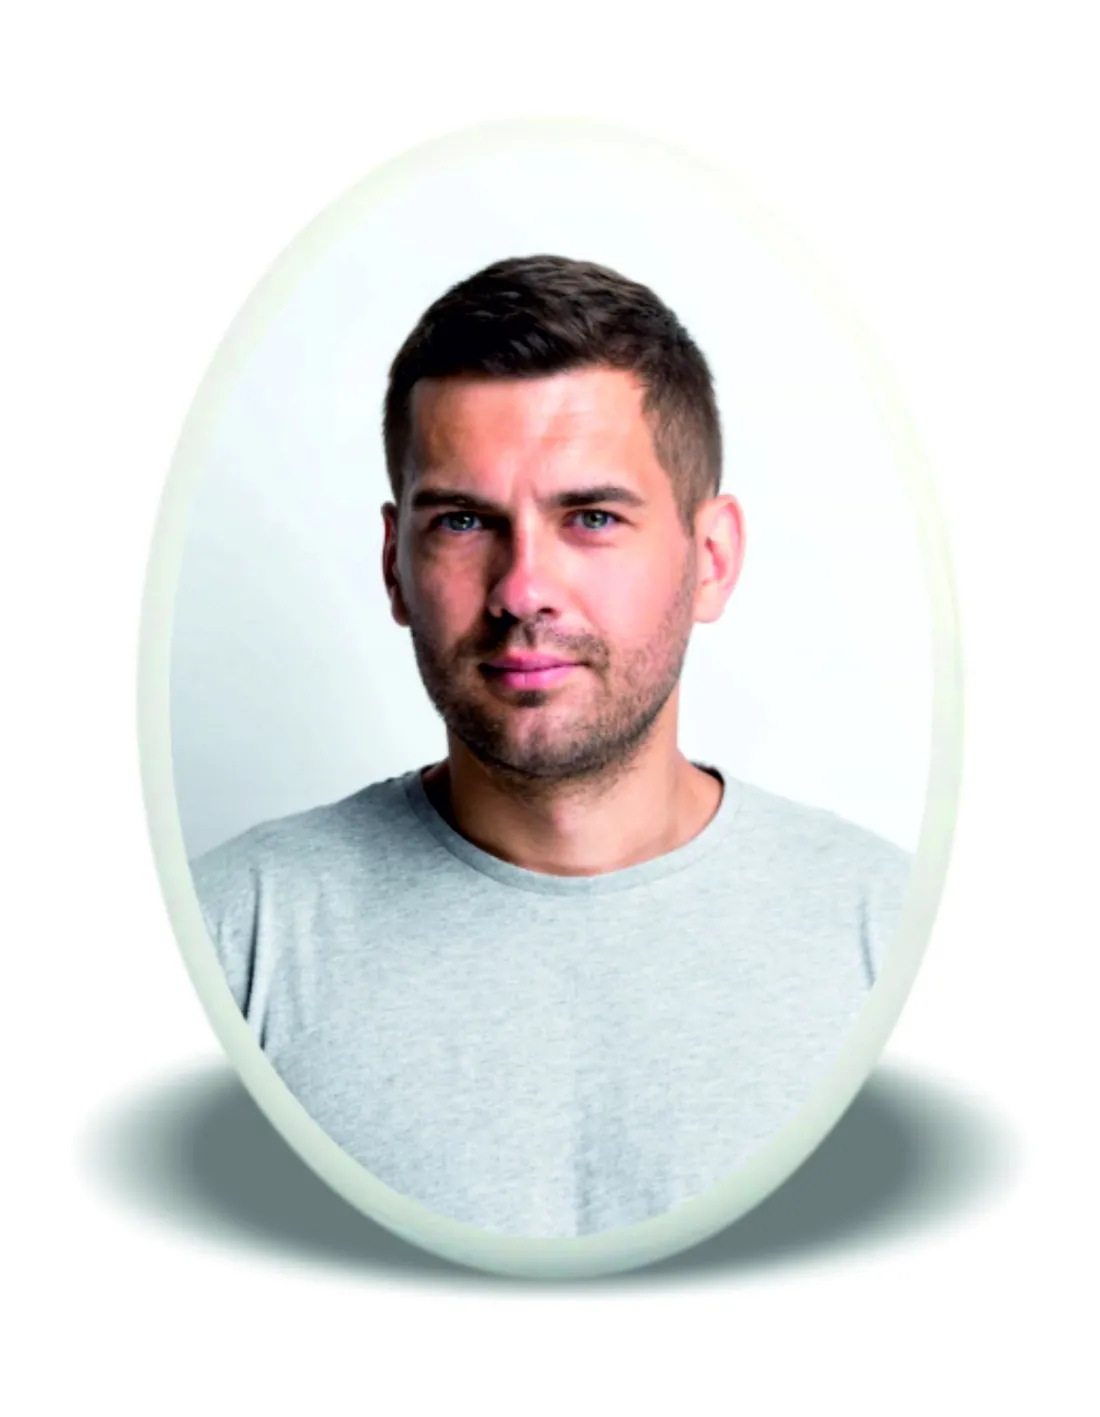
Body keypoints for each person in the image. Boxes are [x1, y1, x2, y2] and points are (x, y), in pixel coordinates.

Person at [191, 254, 912, 1239]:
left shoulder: (893, 942)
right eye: (462, 521)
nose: (522, 587)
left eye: (592, 517)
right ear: (395, 565)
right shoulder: (229, 942)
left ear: (710, 559)